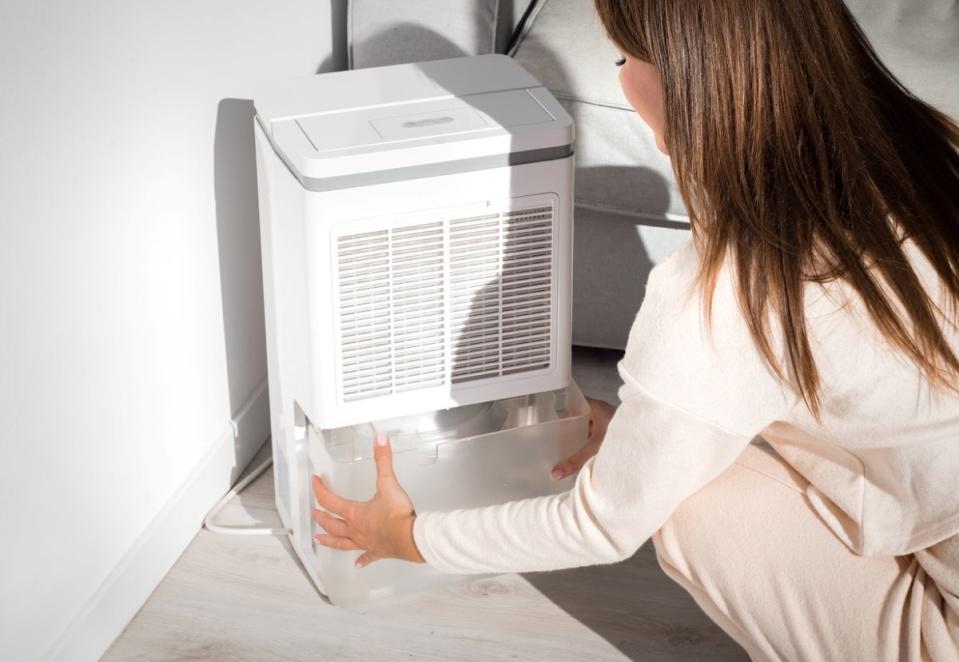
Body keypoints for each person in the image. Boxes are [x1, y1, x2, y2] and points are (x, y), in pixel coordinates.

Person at [310, 0, 959, 659]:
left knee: (689, 503)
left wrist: (410, 537)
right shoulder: (932, 145)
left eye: (623, 59)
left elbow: (601, 523)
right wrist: (641, 428)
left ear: (686, 79)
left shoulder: (727, 294)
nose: (621, 77)